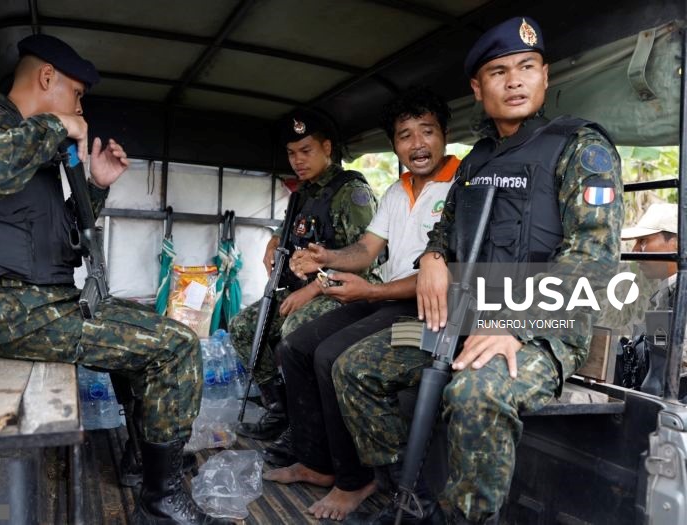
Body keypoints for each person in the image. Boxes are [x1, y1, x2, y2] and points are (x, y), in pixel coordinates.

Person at [334, 17, 623, 525]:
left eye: (526, 67)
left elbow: (592, 261)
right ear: (477, 87)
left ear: (545, 75)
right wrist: (432, 260)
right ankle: (412, 495)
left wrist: (514, 323)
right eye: (499, 71)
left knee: (475, 392)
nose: (514, 81)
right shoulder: (475, 163)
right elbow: (444, 234)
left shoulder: (581, 149)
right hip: (464, 318)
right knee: (354, 367)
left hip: (541, 331)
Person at [0, 34, 230, 525]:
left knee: (146, 324)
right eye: (76, 94)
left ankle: (143, 461)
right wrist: (58, 123)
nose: (79, 105)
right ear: (47, 77)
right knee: (176, 344)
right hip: (13, 312)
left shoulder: (27, 143)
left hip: (40, 304)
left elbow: (61, 234)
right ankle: (162, 502)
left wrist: (95, 183)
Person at [264, 87, 459, 521]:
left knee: (335, 357)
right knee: (296, 346)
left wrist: (369, 292)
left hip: (434, 319)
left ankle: (357, 479)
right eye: (405, 135)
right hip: (387, 302)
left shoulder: (464, 186)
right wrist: (327, 258)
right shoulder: (397, 190)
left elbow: (445, 277)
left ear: (445, 135)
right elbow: (367, 251)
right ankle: (317, 462)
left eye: (427, 132)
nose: (417, 144)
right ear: (394, 144)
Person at [230, 110, 378, 464]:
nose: (298, 160)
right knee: (243, 327)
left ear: (327, 148)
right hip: (305, 288)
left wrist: (312, 290)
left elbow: (367, 262)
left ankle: (305, 429)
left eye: (306, 151)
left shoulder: (351, 194)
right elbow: (295, 230)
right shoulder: (304, 194)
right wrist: (273, 241)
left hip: (345, 294)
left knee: (295, 331)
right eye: (292, 153)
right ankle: (281, 410)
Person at [617, 202, 681, 390]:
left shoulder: (680, 296)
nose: (635, 250)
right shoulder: (666, 294)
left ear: (677, 243)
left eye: (643, 241)